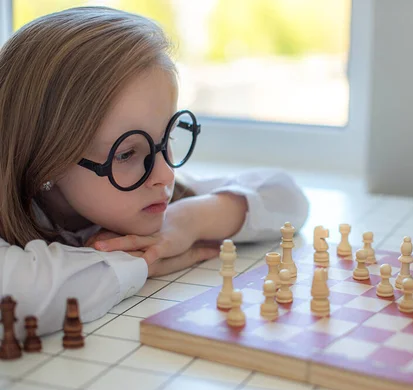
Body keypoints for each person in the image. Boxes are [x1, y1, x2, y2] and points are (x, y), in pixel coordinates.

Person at [0, 6, 309, 339]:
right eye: (127, 153)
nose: (164, 174)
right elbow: (17, 296)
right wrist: (142, 261)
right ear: (48, 159)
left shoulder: (140, 189)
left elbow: (287, 196)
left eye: (168, 138)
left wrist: (187, 221)